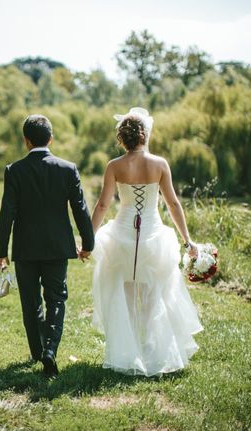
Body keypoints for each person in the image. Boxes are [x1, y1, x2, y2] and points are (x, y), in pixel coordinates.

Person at [91, 107, 203, 376]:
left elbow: (104, 204)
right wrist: (187, 239)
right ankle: (155, 352)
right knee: (155, 297)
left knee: (126, 296)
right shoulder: (160, 164)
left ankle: (128, 354)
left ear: (122, 138)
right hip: (154, 235)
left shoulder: (114, 166)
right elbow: (173, 203)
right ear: (144, 135)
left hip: (122, 235)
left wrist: (89, 237)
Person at [0, 114, 94, 377]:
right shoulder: (67, 168)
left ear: (26, 141)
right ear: (50, 138)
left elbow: (7, 213)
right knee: (56, 298)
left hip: (26, 249)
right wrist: (87, 243)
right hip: (57, 247)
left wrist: (0, 252)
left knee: (30, 302)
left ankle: (38, 352)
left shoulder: (14, 170)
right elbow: (80, 210)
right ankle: (50, 350)